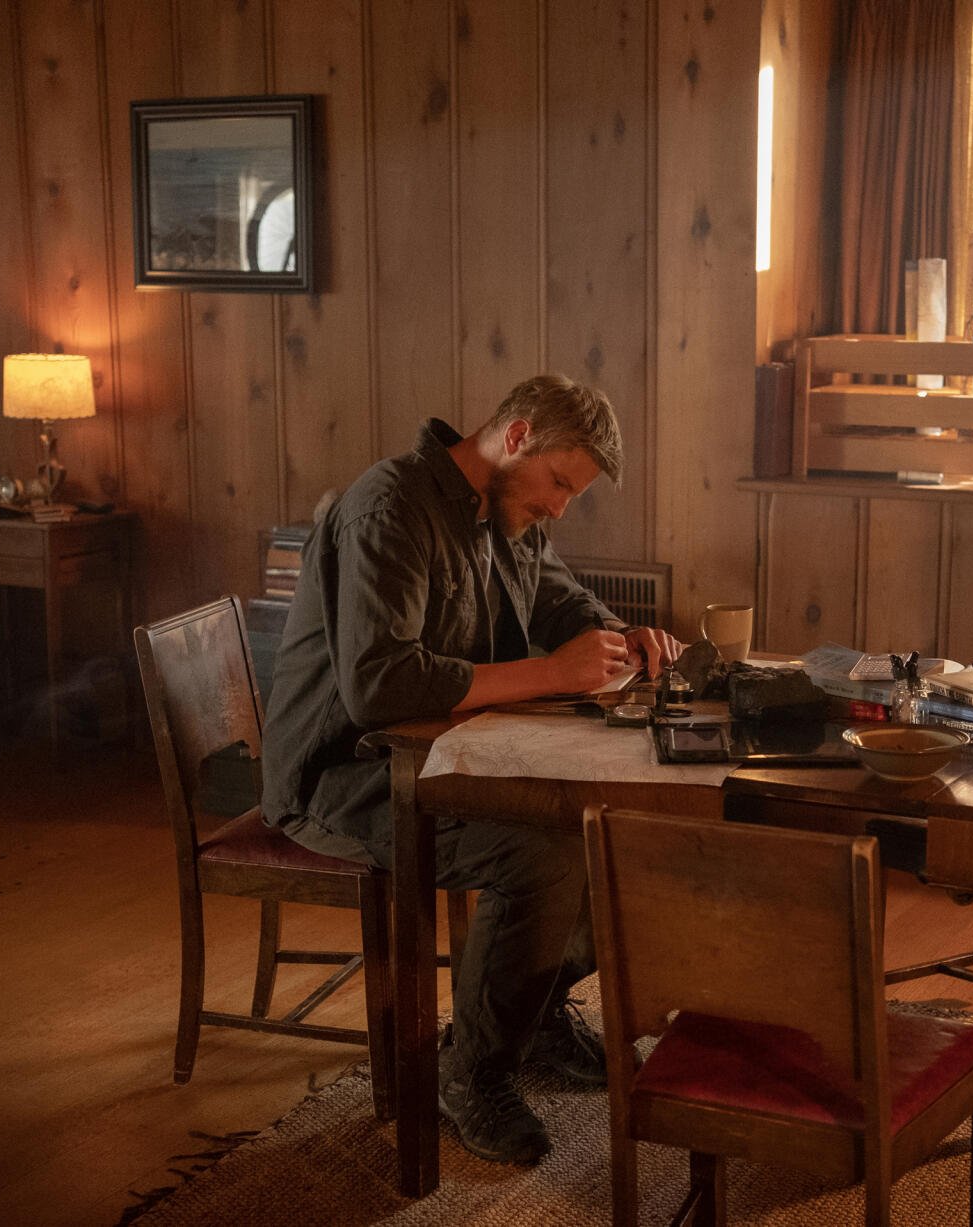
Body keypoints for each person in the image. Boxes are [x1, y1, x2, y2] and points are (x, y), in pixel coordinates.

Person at [261, 374, 681, 1166]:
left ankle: (536, 1016)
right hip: (343, 777)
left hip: (443, 763)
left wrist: (625, 636)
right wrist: (554, 674)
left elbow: (564, 606)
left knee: (614, 825)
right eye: (560, 482)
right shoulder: (392, 505)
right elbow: (381, 685)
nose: (561, 506)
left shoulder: (506, 514)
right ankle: (472, 1073)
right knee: (546, 851)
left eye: (574, 494)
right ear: (515, 435)